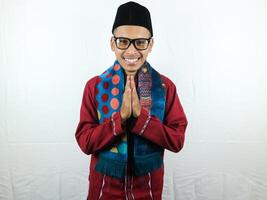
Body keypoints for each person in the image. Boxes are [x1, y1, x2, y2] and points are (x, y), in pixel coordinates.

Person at [75, 1, 188, 199]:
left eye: (140, 42)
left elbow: (177, 141)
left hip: (148, 192)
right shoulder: (94, 86)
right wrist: (119, 119)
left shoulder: (164, 87)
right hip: (103, 192)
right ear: (112, 43)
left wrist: (141, 119)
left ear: (150, 44)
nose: (131, 51)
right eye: (123, 41)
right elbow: (85, 143)